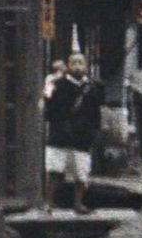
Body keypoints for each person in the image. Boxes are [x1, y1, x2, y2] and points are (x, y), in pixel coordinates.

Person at [42, 52, 102, 215]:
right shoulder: (57, 84)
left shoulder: (92, 88)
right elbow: (49, 110)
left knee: (81, 173)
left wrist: (93, 134)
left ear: (86, 66)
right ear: (68, 66)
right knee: (54, 170)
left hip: (82, 137)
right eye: (73, 63)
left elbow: (96, 114)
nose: (77, 66)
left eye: (80, 63)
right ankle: (48, 202)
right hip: (60, 134)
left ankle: (78, 204)